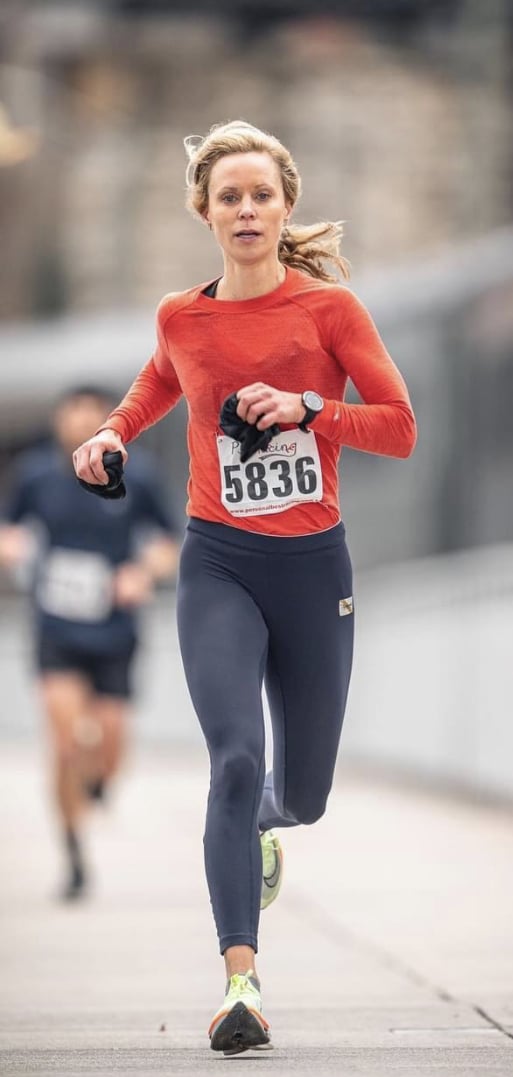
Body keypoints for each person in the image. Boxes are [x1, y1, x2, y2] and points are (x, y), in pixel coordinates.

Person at [72, 121, 417, 1054]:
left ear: (285, 204)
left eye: (260, 194)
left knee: (298, 791)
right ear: (206, 212)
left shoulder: (331, 312)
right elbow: (159, 382)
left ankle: (269, 822)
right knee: (230, 757)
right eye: (228, 196)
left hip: (312, 569)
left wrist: (310, 407)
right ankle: (242, 984)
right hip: (216, 560)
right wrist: (108, 435)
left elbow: (398, 426)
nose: (246, 209)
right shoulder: (182, 315)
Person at [0, 385, 181, 900]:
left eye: (90, 413)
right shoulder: (35, 476)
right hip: (56, 625)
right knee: (63, 738)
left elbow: (168, 544)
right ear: (59, 421)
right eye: (71, 412)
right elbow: (7, 530)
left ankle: (98, 782)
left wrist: (142, 572)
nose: (79, 421)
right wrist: (12, 547)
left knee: (108, 742)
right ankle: (72, 843)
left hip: (114, 630)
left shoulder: (137, 475)